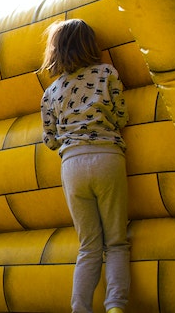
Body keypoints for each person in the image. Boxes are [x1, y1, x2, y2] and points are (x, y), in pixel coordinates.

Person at [39, 19, 130, 313]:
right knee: (115, 242)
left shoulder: (51, 92)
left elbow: (50, 140)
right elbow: (121, 116)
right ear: (91, 45)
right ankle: (115, 305)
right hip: (107, 156)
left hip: (73, 164)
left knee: (88, 246)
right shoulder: (106, 73)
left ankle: (81, 309)